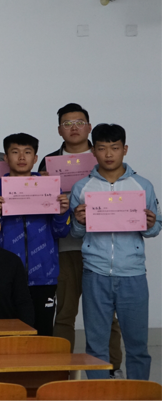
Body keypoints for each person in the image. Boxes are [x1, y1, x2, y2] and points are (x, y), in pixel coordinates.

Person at [70, 124, 160, 380]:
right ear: (93, 152)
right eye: (102, 148)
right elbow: (75, 232)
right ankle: (99, 393)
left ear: (125, 149)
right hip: (95, 272)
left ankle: (139, 393)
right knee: (96, 345)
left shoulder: (142, 185)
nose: (109, 154)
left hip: (133, 274)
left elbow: (154, 229)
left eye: (115, 148)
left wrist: (151, 224)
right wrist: (79, 221)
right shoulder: (82, 187)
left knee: (137, 345)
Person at [37, 104, 122, 374]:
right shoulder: (48, 162)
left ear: (89, 127)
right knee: (64, 313)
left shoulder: (104, 156)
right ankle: (61, 370)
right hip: (65, 248)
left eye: (79, 122)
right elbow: (40, 205)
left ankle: (111, 369)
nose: (73, 127)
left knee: (107, 314)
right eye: (67, 123)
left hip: (102, 246)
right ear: (59, 130)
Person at [0, 133, 71, 336]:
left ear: (35, 158)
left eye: (27, 152)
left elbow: (62, 232)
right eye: (15, 152)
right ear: (6, 158)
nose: (22, 157)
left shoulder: (50, 187)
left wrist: (62, 213)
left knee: (43, 333)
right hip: (5, 274)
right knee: (7, 335)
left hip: (44, 274)